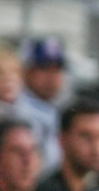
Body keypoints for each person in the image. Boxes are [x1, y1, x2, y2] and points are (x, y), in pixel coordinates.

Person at [15, 37, 70, 165]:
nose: (51, 77)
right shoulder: (16, 109)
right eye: (44, 69)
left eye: (57, 69)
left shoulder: (63, 108)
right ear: (27, 72)